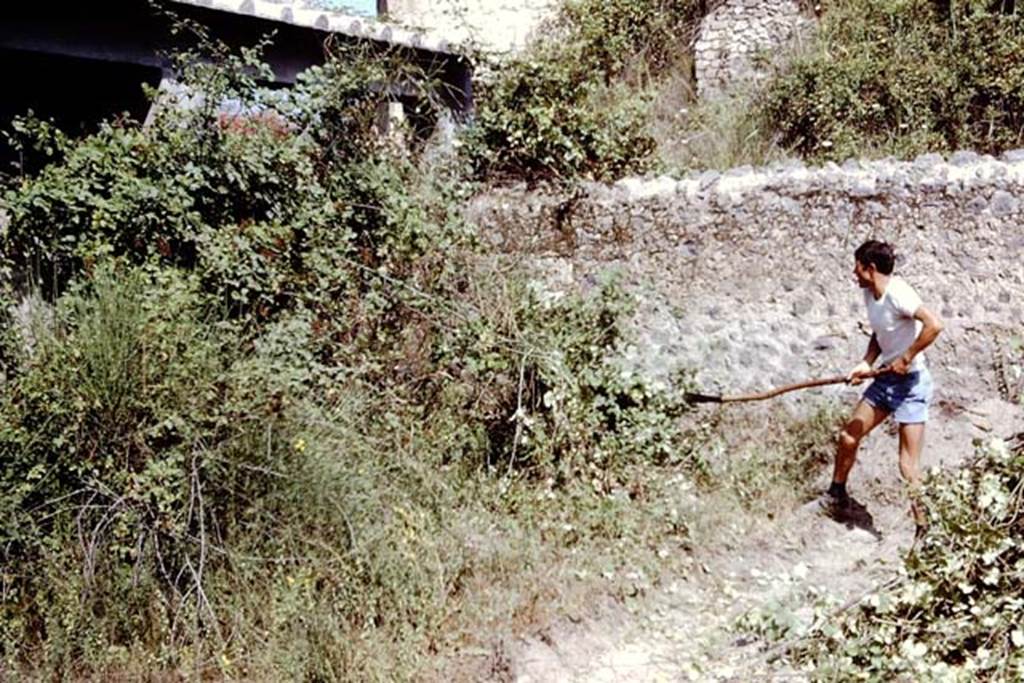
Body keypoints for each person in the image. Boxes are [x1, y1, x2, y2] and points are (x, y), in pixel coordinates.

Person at [823, 240, 944, 533]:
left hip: (912, 384)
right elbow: (880, 333)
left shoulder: (899, 293)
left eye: (857, 266)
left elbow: (934, 325)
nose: (854, 272)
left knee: (907, 465)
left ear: (870, 267)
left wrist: (907, 357)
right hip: (886, 380)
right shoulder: (869, 294)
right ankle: (837, 494)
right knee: (849, 436)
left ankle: (924, 529)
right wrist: (866, 363)